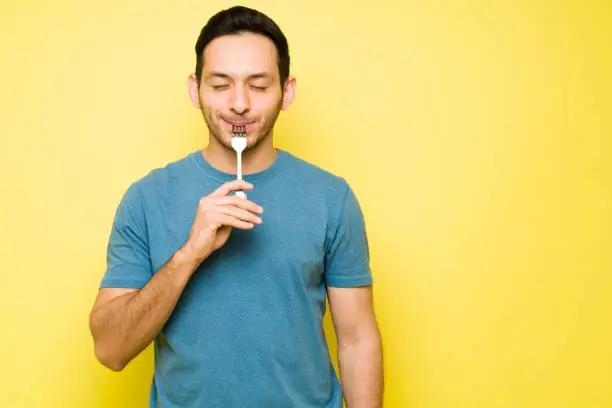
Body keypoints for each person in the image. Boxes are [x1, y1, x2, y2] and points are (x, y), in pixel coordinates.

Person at [89, 5, 383, 408]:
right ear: (195, 89)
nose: (239, 104)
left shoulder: (331, 198)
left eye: (259, 86)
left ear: (287, 90)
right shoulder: (145, 199)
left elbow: (357, 339)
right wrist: (190, 253)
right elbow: (110, 349)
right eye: (221, 84)